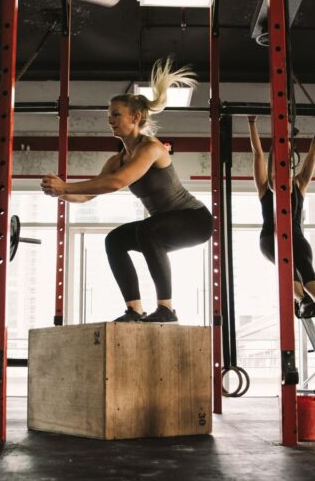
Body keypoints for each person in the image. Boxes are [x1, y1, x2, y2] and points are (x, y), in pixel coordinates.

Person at [40, 58, 212, 323]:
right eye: (109, 115)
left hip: (194, 220)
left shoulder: (151, 148)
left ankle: (166, 309)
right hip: (161, 224)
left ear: (135, 117)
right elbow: (87, 194)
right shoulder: (117, 159)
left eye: (116, 114)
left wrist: (65, 185)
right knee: (115, 240)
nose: (110, 119)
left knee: (147, 230)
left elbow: (117, 183)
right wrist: (59, 192)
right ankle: (134, 309)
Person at [248, 115, 315, 319]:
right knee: (288, 266)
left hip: (296, 237)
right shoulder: (265, 187)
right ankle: (303, 299)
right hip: (270, 239)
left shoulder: (299, 184)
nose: (280, 175)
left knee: (304, 258)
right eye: (276, 171)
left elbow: (313, 153)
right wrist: (252, 123)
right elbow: (258, 154)